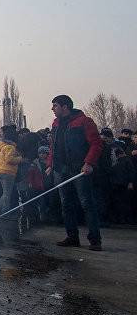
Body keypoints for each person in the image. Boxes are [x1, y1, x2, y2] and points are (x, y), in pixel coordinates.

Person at [47, 94, 104, 251]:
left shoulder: (84, 121)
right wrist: (50, 164)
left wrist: (89, 162)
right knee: (66, 204)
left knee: (86, 202)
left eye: (55, 106)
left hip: (79, 169)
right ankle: (72, 237)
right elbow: (53, 146)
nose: (52, 109)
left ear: (65, 107)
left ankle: (95, 240)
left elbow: (96, 144)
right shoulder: (55, 124)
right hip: (61, 169)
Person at [0, 124, 22, 212]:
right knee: (7, 193)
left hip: (0, 170)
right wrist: (20, 159)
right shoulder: (10, 147)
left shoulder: (1, 145)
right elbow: (9, 159)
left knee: (4, 192)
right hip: (8, 172)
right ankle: (4, 211)